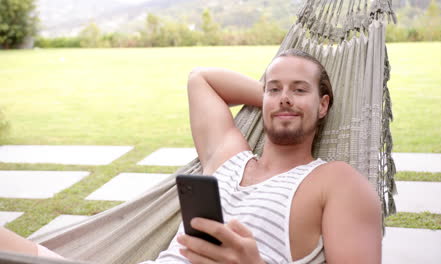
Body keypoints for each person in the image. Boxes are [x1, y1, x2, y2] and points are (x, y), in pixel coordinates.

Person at [0, 49, 382, 263]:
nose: (284, 96)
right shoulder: (228, 157)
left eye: (300, 90)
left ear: (324, 105)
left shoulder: (337, 182)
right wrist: (284, 100)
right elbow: (201, 79)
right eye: (274, 89)